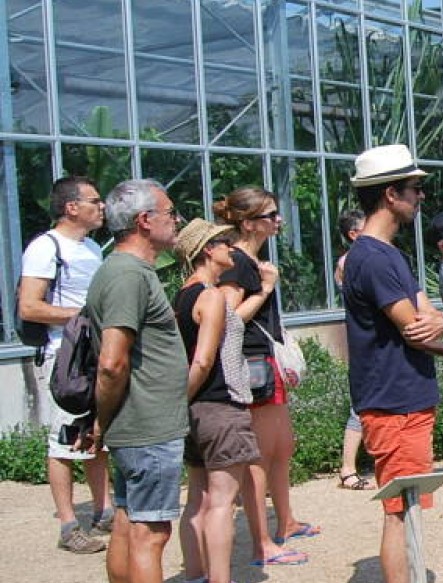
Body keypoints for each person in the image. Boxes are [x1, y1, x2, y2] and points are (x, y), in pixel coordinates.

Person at [343, 144, 443, 583]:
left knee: (406, 507)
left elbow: (428, 317)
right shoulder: (373, 258)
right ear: (391, 194)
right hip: (395, 401)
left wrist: (438, 320)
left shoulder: (388, 254)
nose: (420, 196)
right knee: (400, 508)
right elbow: (417, 326)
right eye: (414, 188)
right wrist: (440, 321)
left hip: (402, 397)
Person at [85, 179, 189, 583]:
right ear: (145, 220)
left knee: (129, 522)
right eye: (169, 212)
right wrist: (101, 419)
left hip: (138, 426)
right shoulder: (128, 274)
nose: (176, 220)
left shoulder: (122, 270)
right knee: (151, 534)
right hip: (148, 427)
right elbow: (112, 362)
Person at [212, 186, 316, 565]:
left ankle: (284, 520)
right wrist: (266, 288)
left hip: (265, 361)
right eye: (271, 215)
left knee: (281, 447)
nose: (278, 221)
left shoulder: (253, 258)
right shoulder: (238, 262)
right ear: (249, 222)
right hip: (251, 364)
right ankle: (262, 544)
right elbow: (225, 318)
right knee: (259, 456)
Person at [17, 176, 112, 554]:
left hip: (92, 353)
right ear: (71, 207)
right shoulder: (45, 248)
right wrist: (83, 316)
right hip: (64, 357)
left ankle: (103, 510)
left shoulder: (91, 247)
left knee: (96, 435)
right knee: (64, 440)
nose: (101, 206)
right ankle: (68, 524)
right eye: (94, 200)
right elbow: (30, 306)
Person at [172, 219, 263, 583]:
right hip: (220, 406)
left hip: (198, 411)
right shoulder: (209, 296)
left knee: (197, 495)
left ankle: (195, 573)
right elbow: (204, 359)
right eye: (224, 242)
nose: (231, 248)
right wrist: (181, 399)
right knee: (223, 500)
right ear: (207, 250)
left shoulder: (182, 294)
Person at [334, 209, 375, 491]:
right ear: (353, 234)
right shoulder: (350, 262)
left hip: (371, 342)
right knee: (359, 405)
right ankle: (347, 468)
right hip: (367, 344)